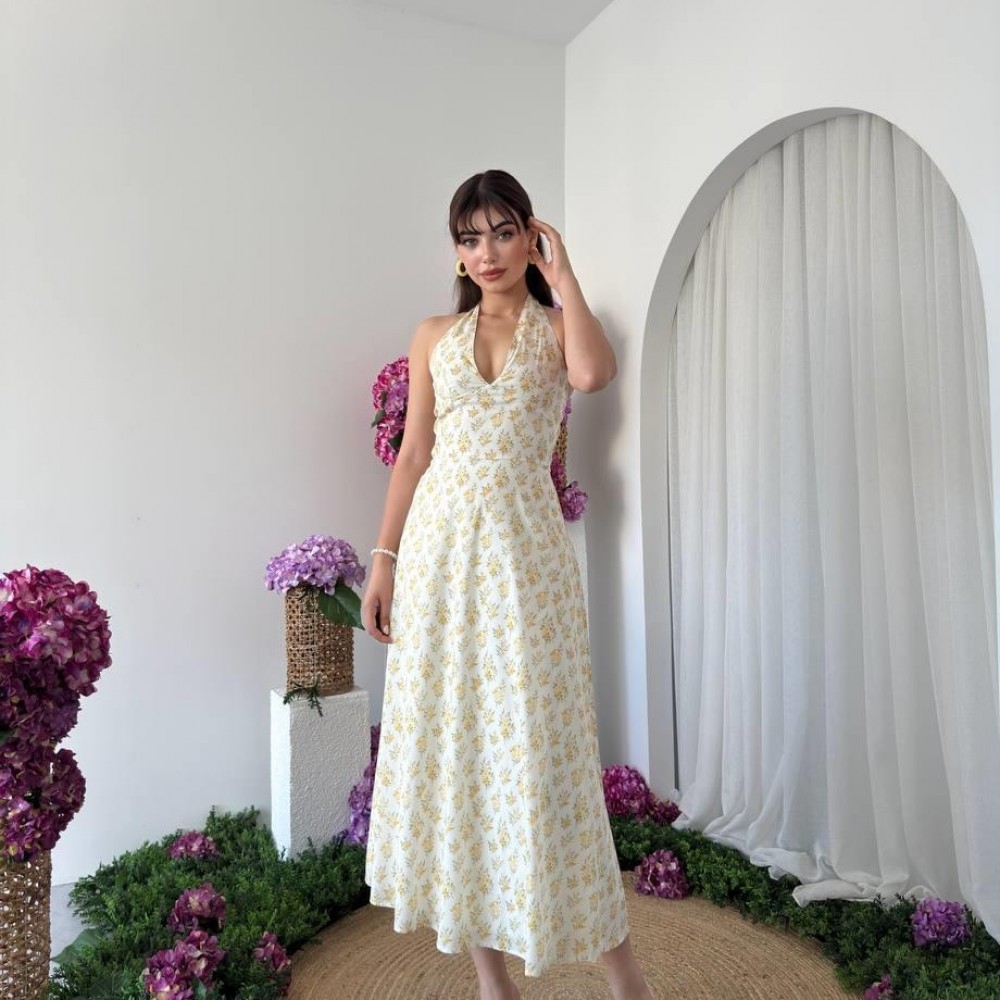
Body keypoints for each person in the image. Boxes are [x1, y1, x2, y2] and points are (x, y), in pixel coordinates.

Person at [361, 169, 655, 1000]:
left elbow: (594, 375)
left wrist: (565, 277)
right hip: (439, 559)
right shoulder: (433, 335)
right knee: (455, 751)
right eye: (470, 237)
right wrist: (383, 561)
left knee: (544, 753)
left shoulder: (557, 329)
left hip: (526, 565)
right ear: (456, 252)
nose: (486, 252)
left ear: (531, 236)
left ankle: (624, 977)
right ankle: (493, 979)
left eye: (501, 232)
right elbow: (414, 455)